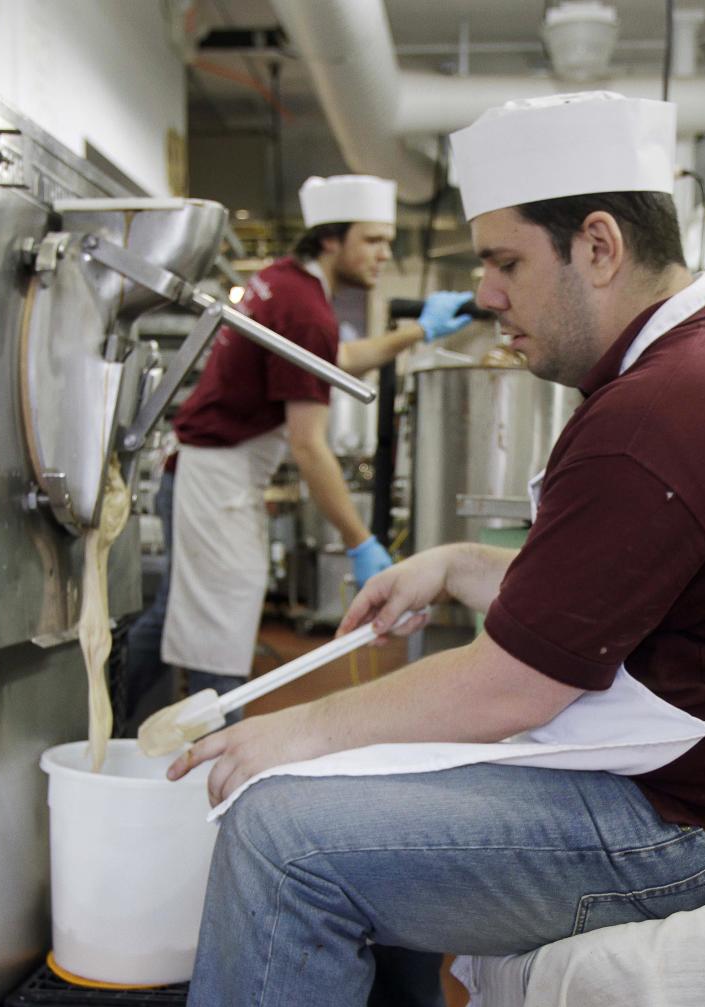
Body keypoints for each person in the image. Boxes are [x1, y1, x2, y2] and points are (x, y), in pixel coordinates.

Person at [171, 93, 705, 1007]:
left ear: (599, 245)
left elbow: (512, 687)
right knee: (358, 772)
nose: (488, 293)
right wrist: (458, 563)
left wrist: (292, 733)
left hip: (696, 823)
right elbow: (607, 598)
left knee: (280, 837)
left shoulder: (663, 408)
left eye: (505, 262)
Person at [154, 174, 472, 704]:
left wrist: (420, 331)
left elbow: (334, 361)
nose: (384, 255)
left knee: (174, 616)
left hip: (202, 467)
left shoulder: (285, 280)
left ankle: (124, 732)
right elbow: (308, 446)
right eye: (373, 240)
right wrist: (360, 541)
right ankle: (212, 766)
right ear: (331, 238)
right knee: (218, 635)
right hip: (218, 478)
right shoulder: (305, 309)